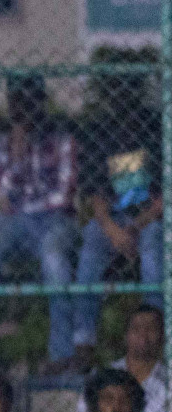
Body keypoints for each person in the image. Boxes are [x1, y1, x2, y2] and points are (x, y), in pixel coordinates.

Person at [0, 79, 78, 366]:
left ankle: (61, 353)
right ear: (10, 108)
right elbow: (2, 200)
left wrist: (24, 197)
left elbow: (64, 197)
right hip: (13, 219)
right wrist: (17, 158)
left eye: (32, 103)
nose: (26, 113)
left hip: (54, 219)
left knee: (54, 257)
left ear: (42, 104)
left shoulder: (62, 138)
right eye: (19, 105)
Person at [72, 54, 163, 368]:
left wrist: (134, 228)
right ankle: (83, 341)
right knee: (92, 244)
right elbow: (95, 195)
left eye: (129, 90)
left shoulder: (156, 128)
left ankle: (156, 334)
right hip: (116, 221)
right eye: (116, 90)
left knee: (153, 248)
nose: (122, 99)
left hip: (149, 219)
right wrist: (112, 229)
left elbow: (162, 202)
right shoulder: (101, 131)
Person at [72, 305, 167, 412]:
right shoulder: (102, 377)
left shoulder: (168, 379)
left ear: (162, 336)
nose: (143, 335)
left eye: (151, 328)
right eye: (136, 328)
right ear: (126, 335)